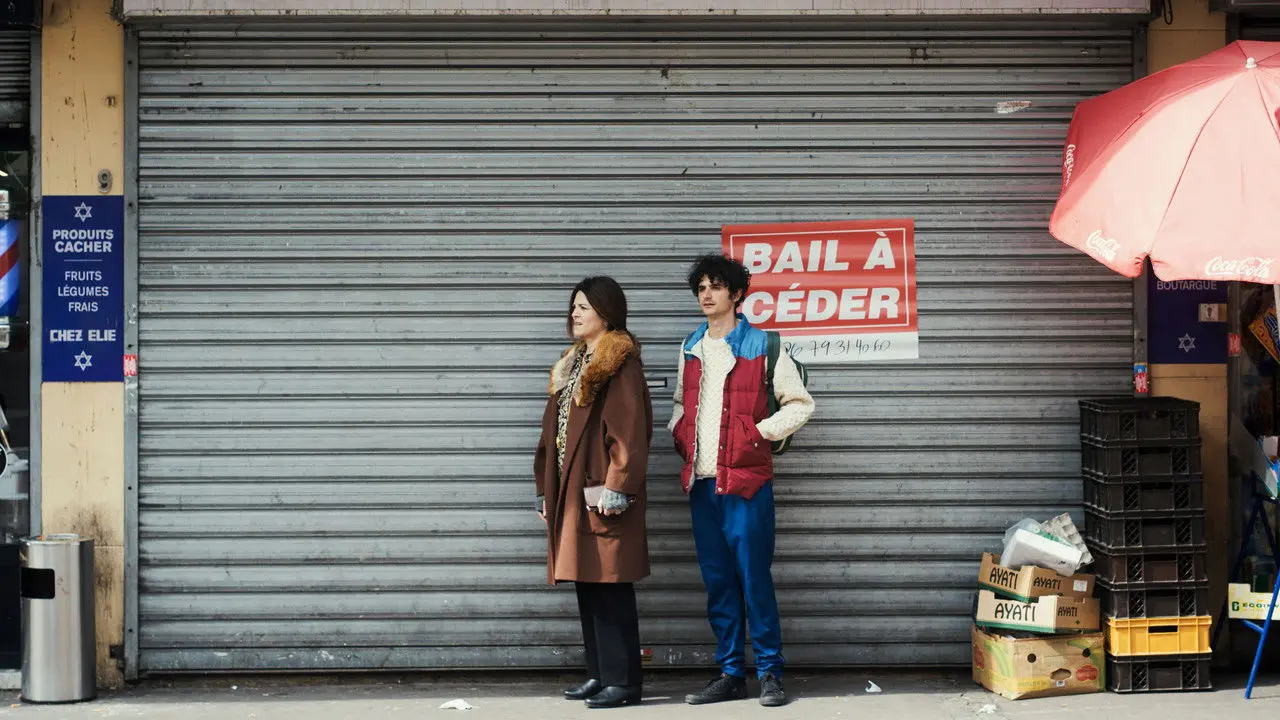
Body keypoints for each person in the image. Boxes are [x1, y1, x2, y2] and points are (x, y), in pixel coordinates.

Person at [669, 254, 815, 708]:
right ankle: (731, 673)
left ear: (736, 294)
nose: (706, 294)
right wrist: (680, 433)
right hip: (702, 485)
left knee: (754, 580)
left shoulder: (763, 344)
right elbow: (679, 404)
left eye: (715, 286)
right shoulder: (690, 347)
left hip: (747, 486)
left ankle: (770, 672)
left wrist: (757, 433)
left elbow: (800, 403)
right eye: (701, 287)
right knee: (718, 583)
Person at [534, 276, 653, 709]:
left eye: (583, 306)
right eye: (574, 306)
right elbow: (552, 435)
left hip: (602, 491)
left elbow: (629, 433)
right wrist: (545, 490)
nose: (575, 313)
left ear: (606, 312)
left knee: (611, 586)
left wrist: (619, 486)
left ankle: (623, 682)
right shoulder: (573, 363)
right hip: (571, 491)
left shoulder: (618, 363)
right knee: (588, 582)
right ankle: (599, 673)